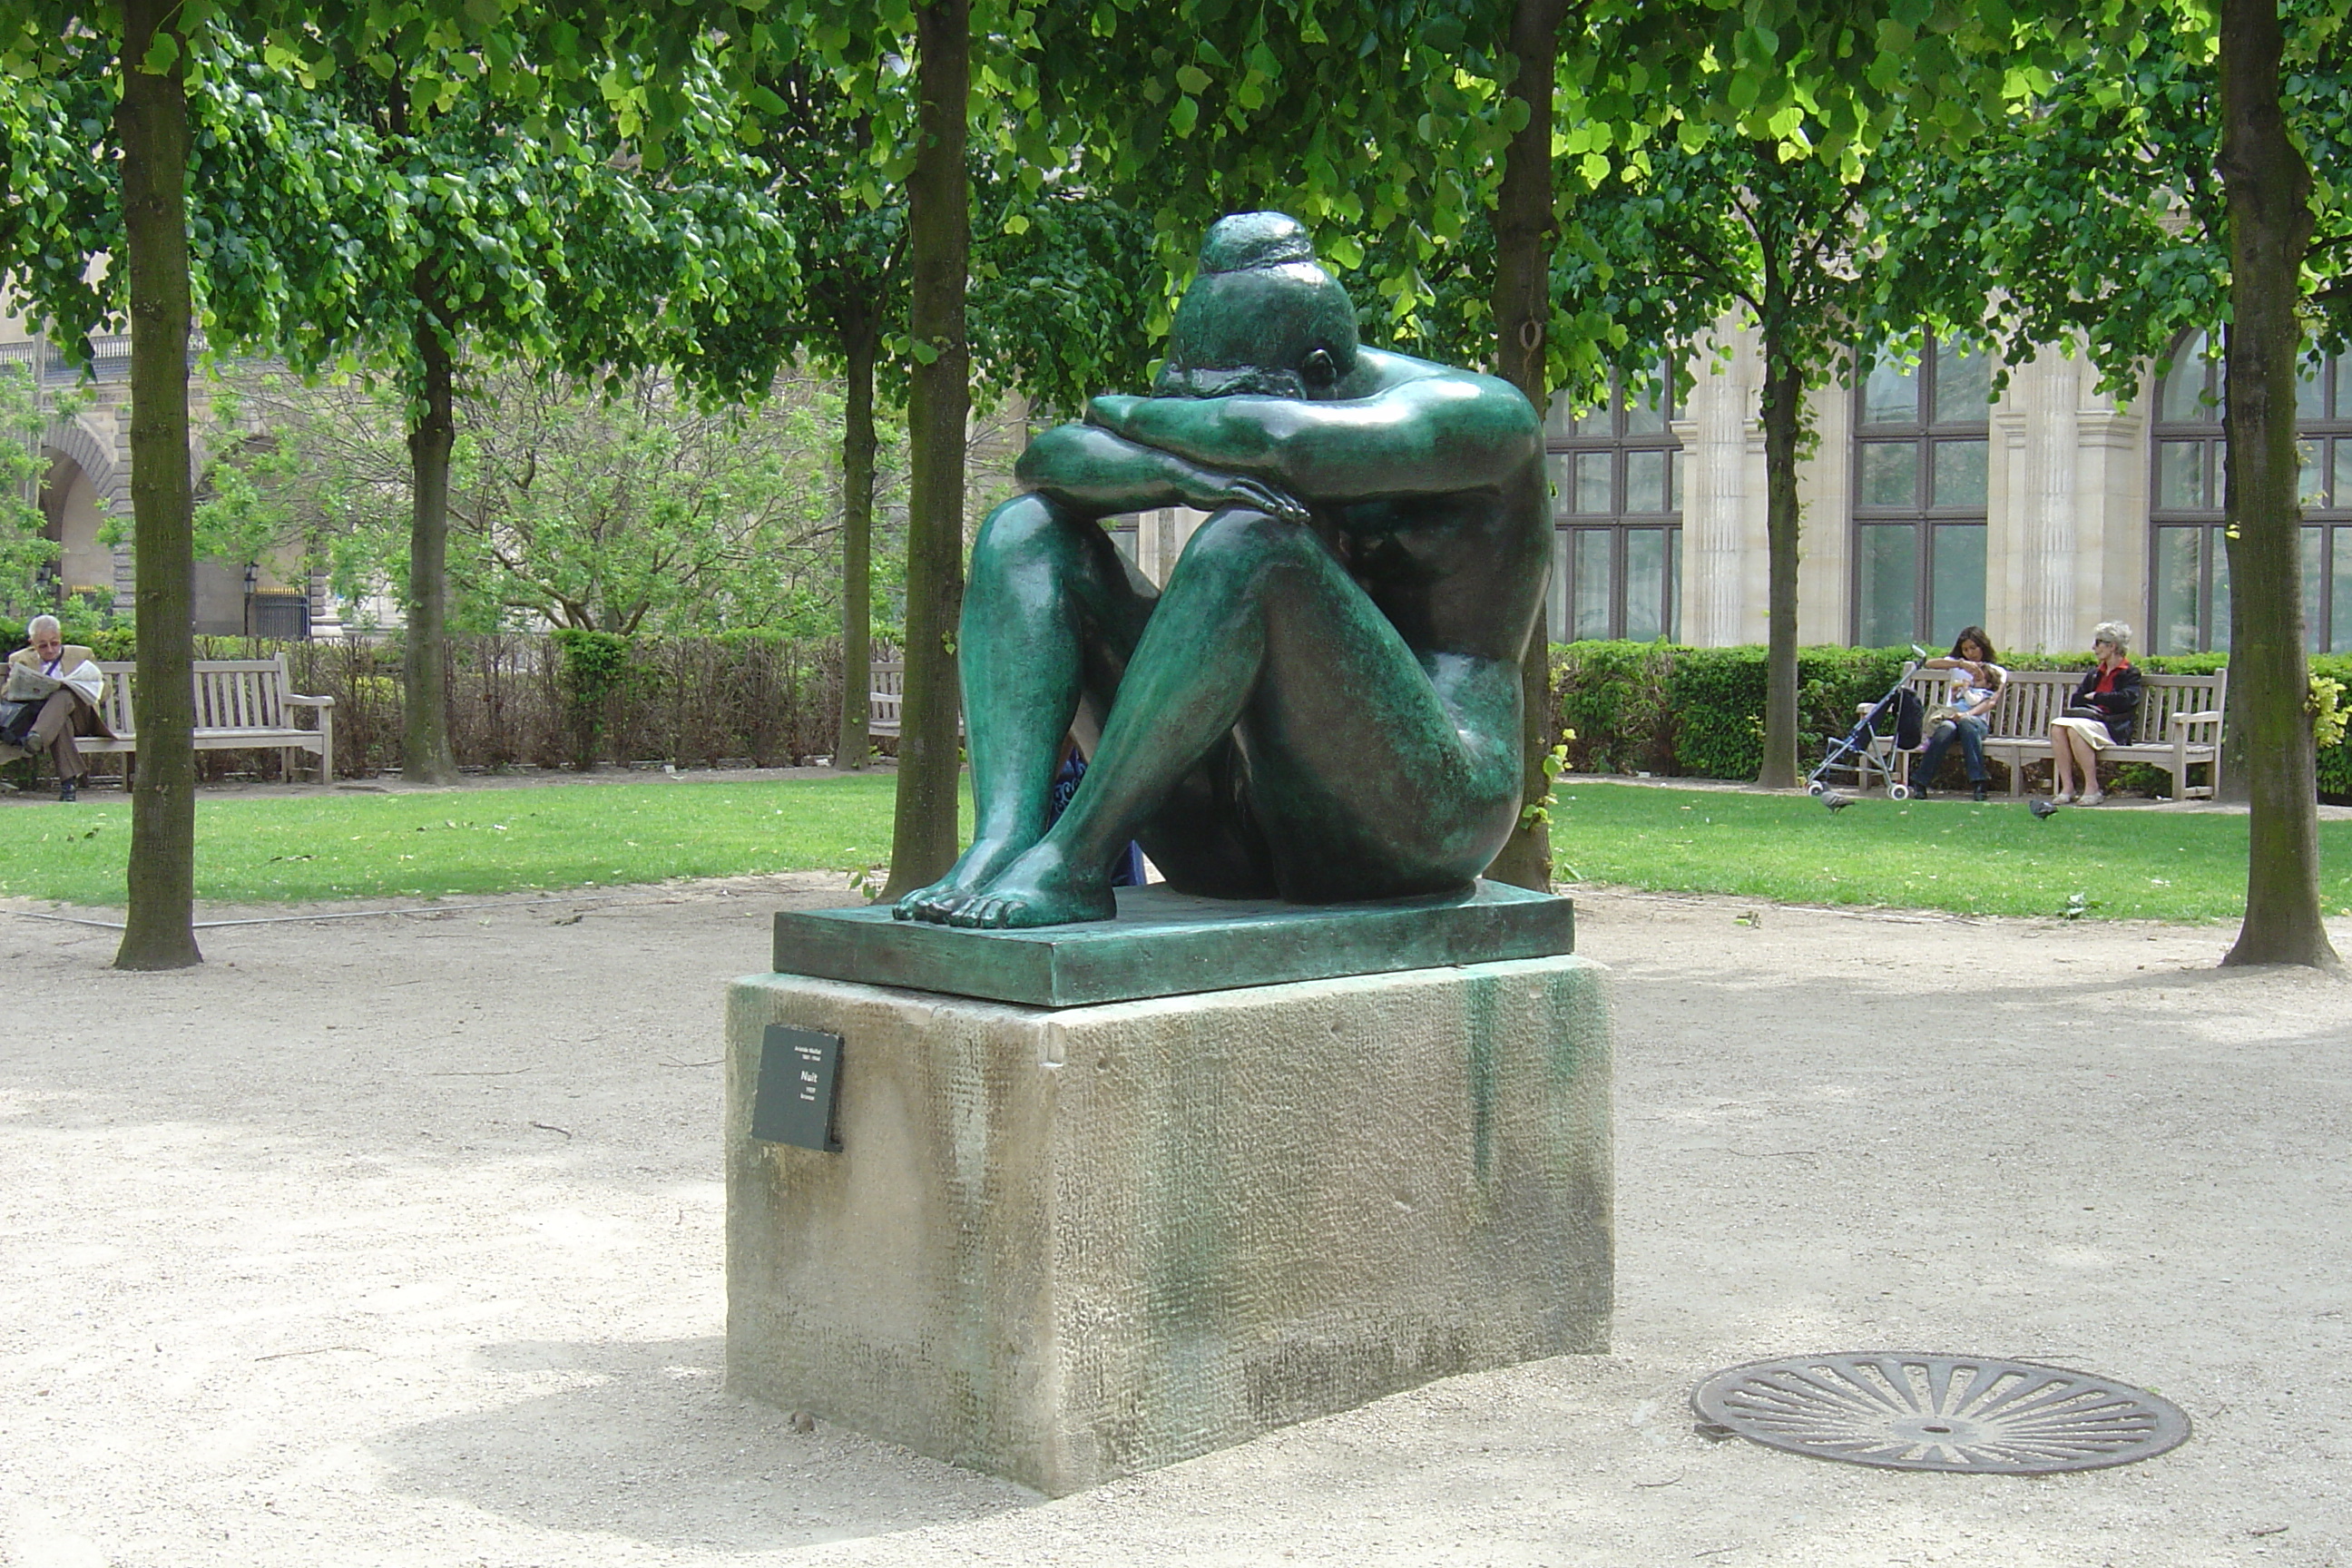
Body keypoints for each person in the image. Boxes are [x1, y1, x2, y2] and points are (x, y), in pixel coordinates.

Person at [895, 211, 1547, 928]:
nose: (1205, 424)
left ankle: (1074, 861)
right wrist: (1176, 468)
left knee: (1253, 545)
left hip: (1421, 819)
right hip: (1240, 828)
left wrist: (1128, 415)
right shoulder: (1227, 413)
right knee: (1025, 531)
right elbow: (1045, 463)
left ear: (1321, 373)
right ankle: (1007, 842)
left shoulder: (1484, 419)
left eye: (1226, 402)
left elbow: (1285, 445)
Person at [1, 614, 111, 802]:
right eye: (42, 645)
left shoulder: (82, 655)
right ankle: (68, 784)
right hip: (46, 720)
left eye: (54, 643)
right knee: (60, 722)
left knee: (63, 695)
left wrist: (86, 686)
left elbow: (105, 691)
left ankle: (37, 738)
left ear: (60, 637)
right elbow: (6, 694)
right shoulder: (21, 659)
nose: (50, 650)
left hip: (81, 718)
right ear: (32, 643)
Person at [2048, 621, 2141, 806]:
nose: (2094, 647)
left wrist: (2097, 696)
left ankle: (2092, 788)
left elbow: (2126, 700)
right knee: (2058, 727)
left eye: (2098, 643)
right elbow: (2077, 699)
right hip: (2090, 722)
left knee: (2075, 729)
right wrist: (2098, 698)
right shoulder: (2094, 673)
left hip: (2113, 726)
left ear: (2112, 646)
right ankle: (2067, 788)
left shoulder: (2130, 673)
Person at [1910, 626, 2004, 801]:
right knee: (1945, 728)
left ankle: (1979, 783)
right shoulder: (1958, 666)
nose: (1970, 653)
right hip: (1950, 717)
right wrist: (1959, 663)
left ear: (1983, 646)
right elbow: (1930, 663)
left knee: (1967, 724)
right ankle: (1920, 782)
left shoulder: (1995, 671)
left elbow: (1990, 702)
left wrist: (1967, 714)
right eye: (1965, 649)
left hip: (1976, 721)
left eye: (1974, 648)